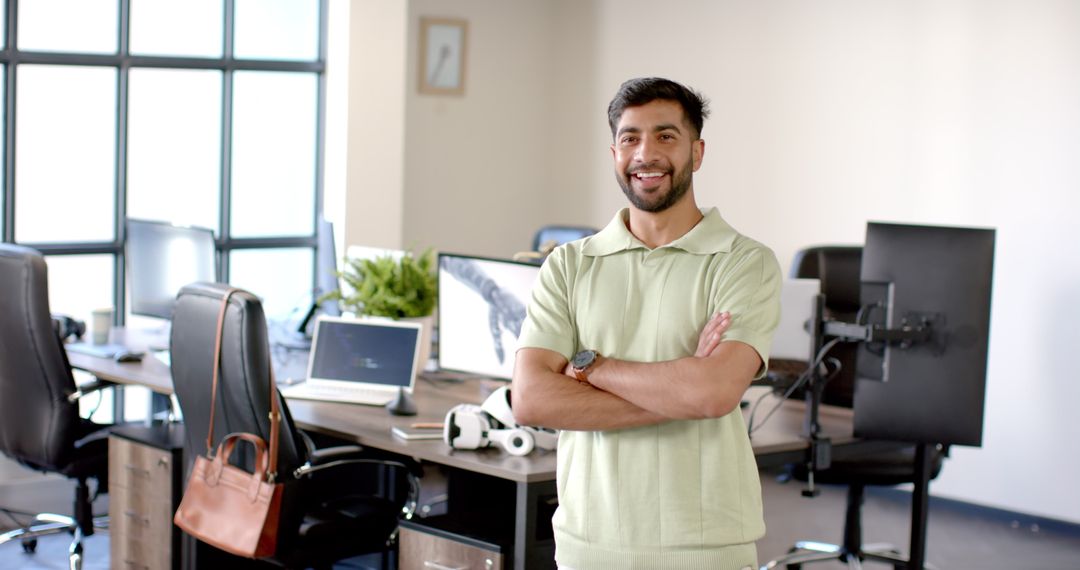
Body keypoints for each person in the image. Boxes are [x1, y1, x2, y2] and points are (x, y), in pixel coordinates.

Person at [512, 77, 782, 569]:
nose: (646, 153)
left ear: (697, 153)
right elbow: (530, 399)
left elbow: (712, 393)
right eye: (630, 138)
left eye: (665, 136)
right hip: (587, 543)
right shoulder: (569, 265)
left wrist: (588, 367)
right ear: (614, 151)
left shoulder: (744, 263)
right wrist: (682, 392)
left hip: (705, 547)